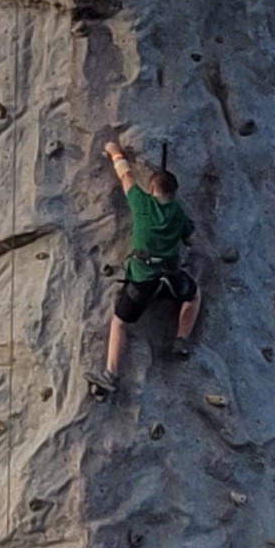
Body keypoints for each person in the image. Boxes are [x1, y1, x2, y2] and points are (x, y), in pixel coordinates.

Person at [86, 138, 201, 399]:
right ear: (173, 193)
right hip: (171, 278)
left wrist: (113, 150)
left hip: (142, 281)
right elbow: (192, 241)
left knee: (120, 323)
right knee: (193, 296)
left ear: (151, 188)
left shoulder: (141, 203)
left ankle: (110, 375)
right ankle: (181, 339)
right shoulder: (179, 213)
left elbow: (124, 175)